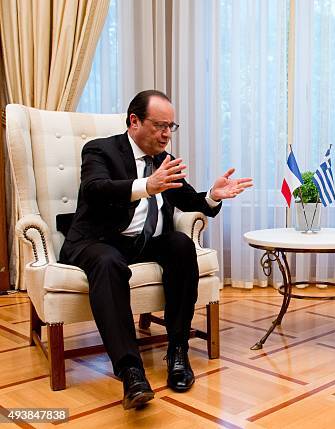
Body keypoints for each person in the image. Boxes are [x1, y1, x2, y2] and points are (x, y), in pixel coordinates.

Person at [59, 90, 253, 409]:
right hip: (98, 241)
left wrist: (213, 196)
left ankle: (178, 351)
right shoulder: (100, 150)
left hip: (143, 243)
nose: (166, 134)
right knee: (108, 263)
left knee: (180, 243)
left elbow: (188, 199)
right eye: (160, 125)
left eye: (171, 127)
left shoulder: (163, 161)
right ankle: (131, 371)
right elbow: (96, 190)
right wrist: (146, 186)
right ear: (134, 121)